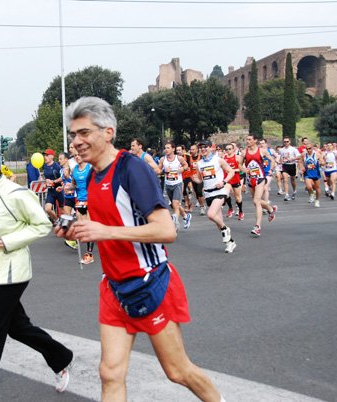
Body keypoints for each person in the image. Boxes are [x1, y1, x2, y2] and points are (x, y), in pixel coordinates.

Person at [57, 97, 225, 402]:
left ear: (107, 133)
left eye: (84, 133)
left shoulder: (131, 168)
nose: (76, 142)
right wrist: (77, 226)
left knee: (177, 371)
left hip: (149, 284)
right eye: (73, 135)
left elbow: (166, 230)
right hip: (114, 289)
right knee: (110, 373)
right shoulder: (92, 174)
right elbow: (103, 219)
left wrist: (104, 231)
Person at [0, 146, 75, 402]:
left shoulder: (16, 194)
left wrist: (10, 241)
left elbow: (42, 224)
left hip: (12, 271)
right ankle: (61, 356)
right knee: (17, 328)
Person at [192, 140, 238, 253]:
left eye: (204, 147)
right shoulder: (199, 164)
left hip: (219, 191)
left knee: (211, 215)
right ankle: (230, 243)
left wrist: (224, 182)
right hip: (208, 193)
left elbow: (231, 172)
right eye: (200, 148)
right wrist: (195, 179)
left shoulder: (218, 160)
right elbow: (200, 179)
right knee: (219, 223)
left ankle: (226, 229)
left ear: (210, 148)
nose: (202, 149)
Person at [238, 134, 277, 236]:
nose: (247, 141)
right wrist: (244, 169)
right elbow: (239, 164)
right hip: (251, 179)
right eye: (246, 139)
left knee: (256, 200)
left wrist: (271, 170)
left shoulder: (261, 151)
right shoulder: (244, 152)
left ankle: (257, 226)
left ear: (255, 140)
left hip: (260, 178)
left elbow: (272, 160)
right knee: (257, 202)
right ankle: (270, 209)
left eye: (250, 139)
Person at [66, 152, 94, 264]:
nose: (77, 157)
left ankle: (89, 254)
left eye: (79, 155)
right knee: (83, 226)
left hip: (91, 200)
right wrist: (68, 187)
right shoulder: (74, 170)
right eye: (75, 156)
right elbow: (74, 184)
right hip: (80, 201)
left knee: (88, 225)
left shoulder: (90, 167)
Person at [158, 142, 191, 231]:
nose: (166, 149)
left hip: (178, 184)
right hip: (168, 184)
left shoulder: (179, 158)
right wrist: (165, 170)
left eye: (168, 148)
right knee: (174, 204)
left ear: (173, 149)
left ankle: (175, 222)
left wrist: (183, 169)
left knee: (175, 204)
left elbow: (186, 165)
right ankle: (186, 216)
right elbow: (158, 170)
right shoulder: (162, 159)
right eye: (165, 148)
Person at [222, 143, 244, 220]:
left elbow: (242, 168)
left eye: (230, 149)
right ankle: (231, 208)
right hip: (227, 179)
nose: (228, 151)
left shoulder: (237, 157)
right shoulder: (223, 158)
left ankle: (241, 211)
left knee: (237, 197)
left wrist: (234, 170)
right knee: (226, 193)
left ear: (233, 149)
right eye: (226, 149)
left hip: (235, 178)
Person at [42, 149, 64, 224]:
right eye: (45, 155)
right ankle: (57, 220)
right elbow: (47, 178)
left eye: (47, 155)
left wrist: (53, 181)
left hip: (59, 190)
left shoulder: (56, 166)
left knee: (62, 211)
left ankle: (66, 225)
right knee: (47, 209)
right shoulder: (44, 167)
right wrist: (45, 184)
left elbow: (62, 178)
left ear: (52, 157)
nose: (45, 157)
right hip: (51, 191)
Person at [299, 143, 323, 207]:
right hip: (307, 173)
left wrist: (321, 162)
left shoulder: (316, 154)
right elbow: (301, 161)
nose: (308, 150)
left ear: (312, 148)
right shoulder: (304, 154)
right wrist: (302, 168)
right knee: (309, 187)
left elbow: (322, 160)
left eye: (309, 148)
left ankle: (317, 200)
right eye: (307, 149)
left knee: (317, 187)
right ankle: (312, 193)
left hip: (316, 172)